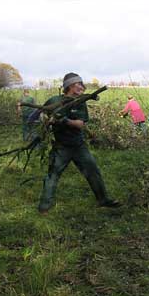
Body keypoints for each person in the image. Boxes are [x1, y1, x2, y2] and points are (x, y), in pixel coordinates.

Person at [38, 72, 121, 214]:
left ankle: (103, 200)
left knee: (93, 171)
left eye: (82, 83)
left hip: (78, 146)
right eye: (78, 83)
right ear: (69, 85)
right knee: (53, 175)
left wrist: (63, 120)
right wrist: (46, 119)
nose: (82, 86)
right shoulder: (54, 100)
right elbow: (42, 112)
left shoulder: (81, 103)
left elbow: (80, 124)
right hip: (61, 147)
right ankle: (44, 207)